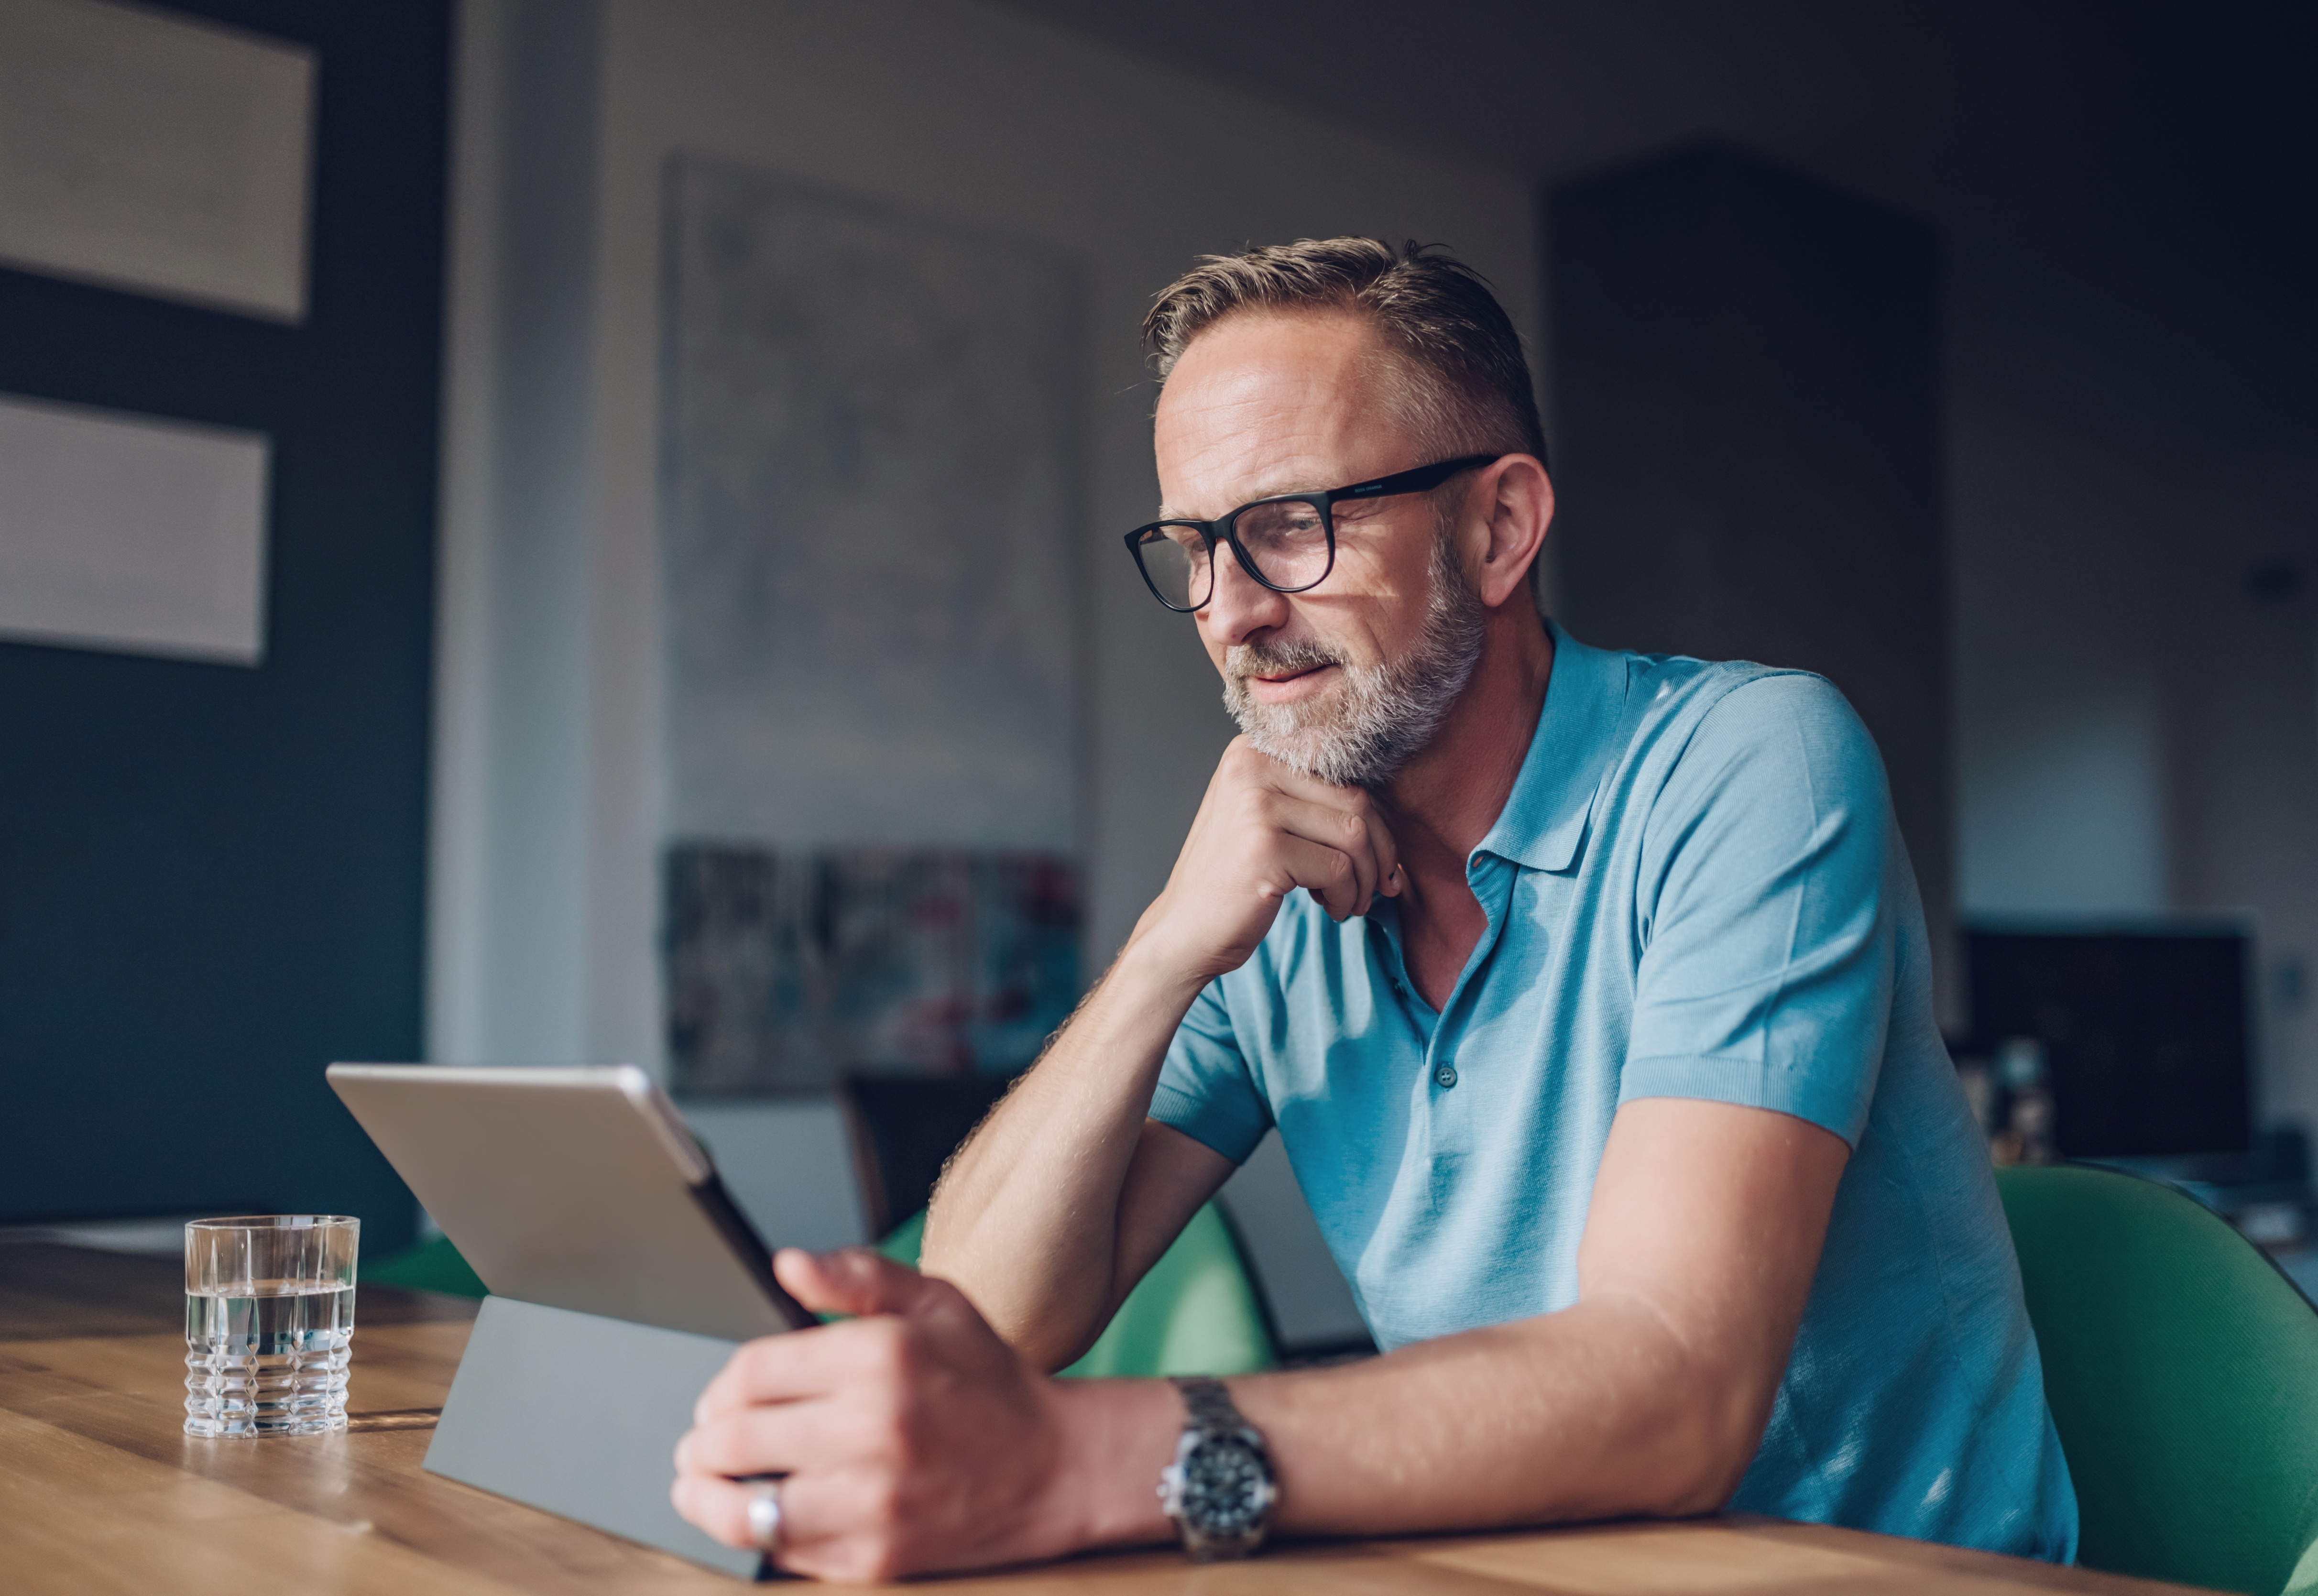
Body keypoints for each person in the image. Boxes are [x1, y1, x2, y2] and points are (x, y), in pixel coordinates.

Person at [669, 238, 2078, 1583]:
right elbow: (987, 1314)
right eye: (1194, 547)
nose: (1229, 609)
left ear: (1501, 526)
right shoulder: (1271, 886)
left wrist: (1079, 1459)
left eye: (1288, 526)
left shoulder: (1749, 763)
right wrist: (1171, 944)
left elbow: (1676, 1386)